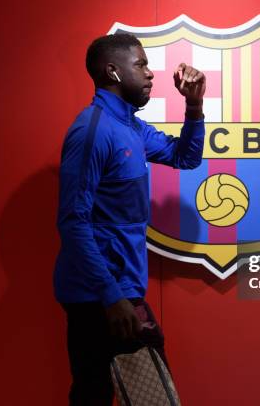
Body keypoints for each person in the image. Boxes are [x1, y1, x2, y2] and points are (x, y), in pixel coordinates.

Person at [53, 33, 206, 405]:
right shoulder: (92, 131)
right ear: (113, 71)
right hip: (98, 297)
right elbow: (73, 222)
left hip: (122, 291)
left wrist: (195, 105)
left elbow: (185, 157)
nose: (150, 73)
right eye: (140, 65)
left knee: (135, 396)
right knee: (98, 395)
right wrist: (111, 297)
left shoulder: (132, 128)